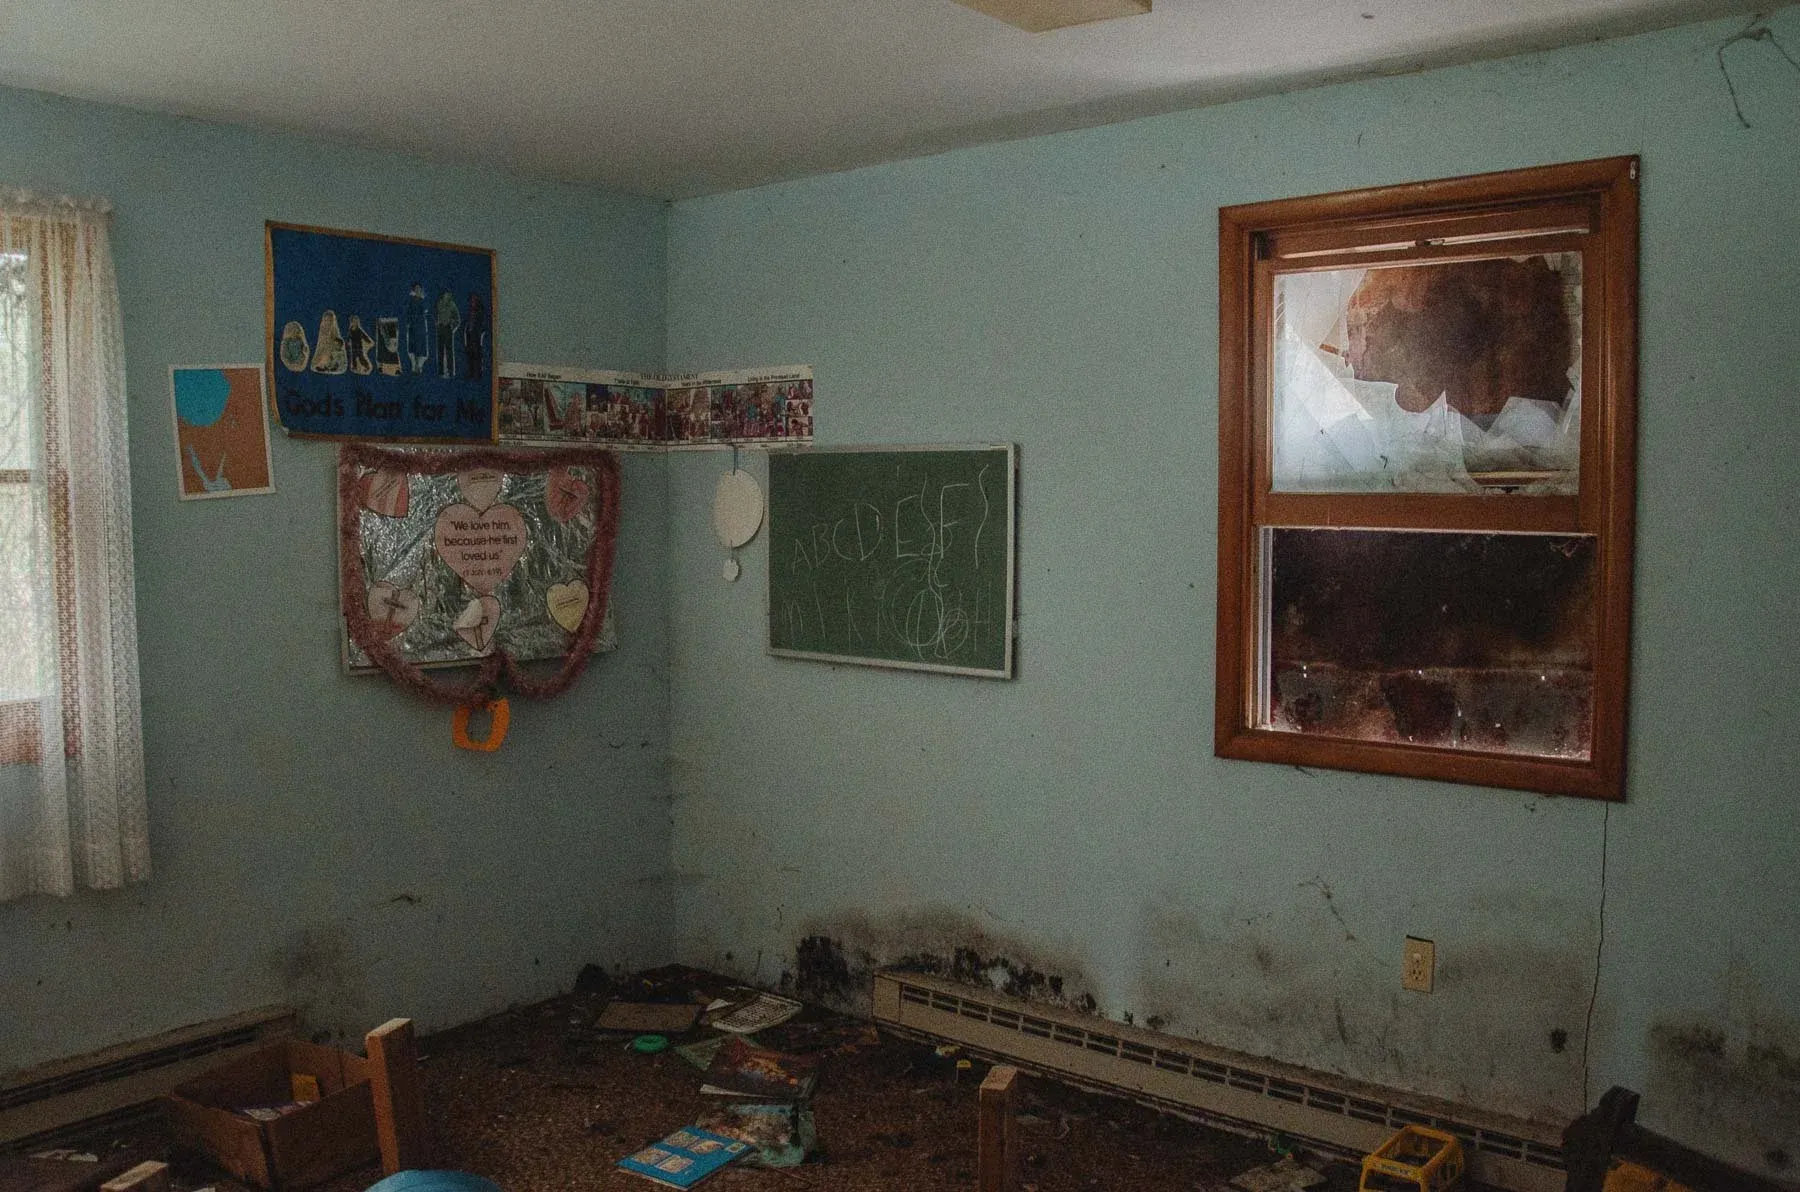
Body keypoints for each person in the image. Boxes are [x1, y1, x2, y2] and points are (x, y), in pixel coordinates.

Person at [435, 289, 460, 378]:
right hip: (440, 328)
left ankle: (450, 371)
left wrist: (453, 328)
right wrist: (437, 323)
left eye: (448, 294)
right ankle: (441, 372)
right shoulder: (439, 303)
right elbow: (435, 314)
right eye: (445, 294)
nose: (447, 296)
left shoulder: (452, 305)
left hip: (448, 329)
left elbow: (457, 318)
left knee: (449, 351)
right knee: (440, 351)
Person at [404, 283, 428, 374]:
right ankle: (414, 366)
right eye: (416, 288)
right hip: (412, 327)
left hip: (421, 327)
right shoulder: (410, 300)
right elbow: (408, 312)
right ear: (413, 289)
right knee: (413, 348)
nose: (418, 290)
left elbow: (425, 310)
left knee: (420, 348)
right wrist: (408, 323)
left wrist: (422, 299)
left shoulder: (423, 299)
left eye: (419, 288)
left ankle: (419, 366)